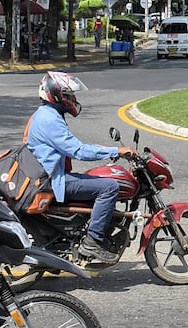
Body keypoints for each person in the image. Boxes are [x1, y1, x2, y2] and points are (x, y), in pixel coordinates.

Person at [25, 71, 138, 264]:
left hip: (51, 175)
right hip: (52, 181)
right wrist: (116, 151)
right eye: (69, 96)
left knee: (95, 179)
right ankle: (93, 241)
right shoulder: (50, 119)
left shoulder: (46, 114)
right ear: (57, 94)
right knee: (109, 187)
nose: (73, 99)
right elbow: (78, 151)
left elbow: (72, 146)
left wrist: (107, 150)